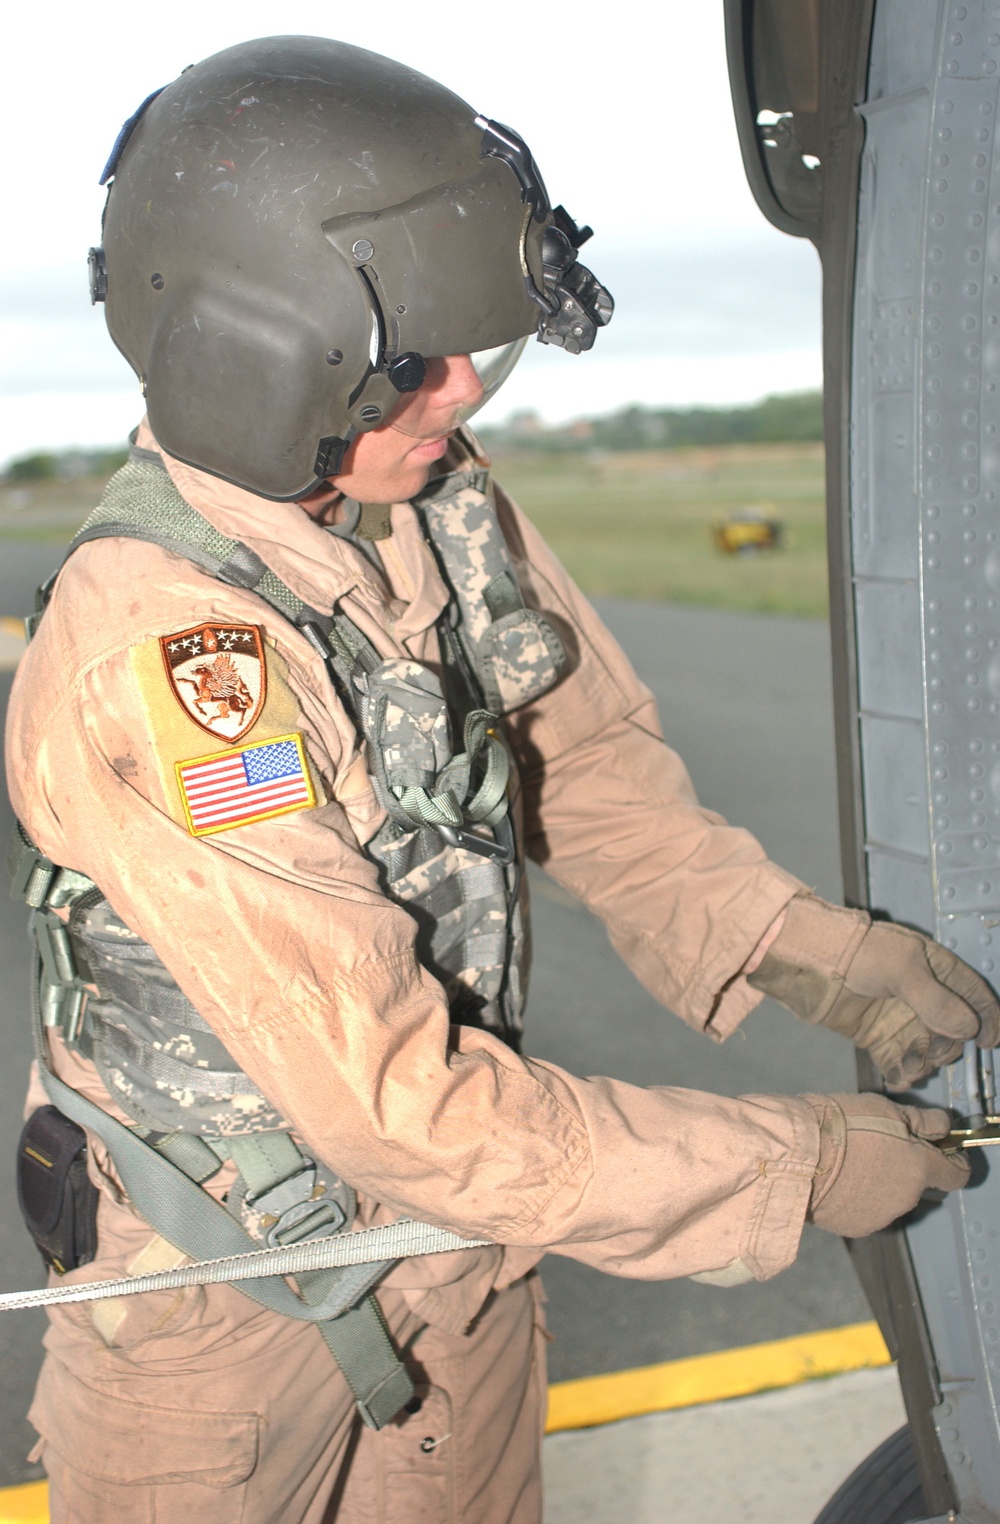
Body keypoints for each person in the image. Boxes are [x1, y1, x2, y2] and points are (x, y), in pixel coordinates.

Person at [4, 34, 994, 1524]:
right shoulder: (169, 653)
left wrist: (806, 951)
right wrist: (791, 1166)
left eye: (477, 348)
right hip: (226, 1305)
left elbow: (577, 764)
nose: (464, 393)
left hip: (470, 1237)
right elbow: (396, 1102)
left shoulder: (428, 492)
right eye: (413, 366)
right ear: (256, 359)